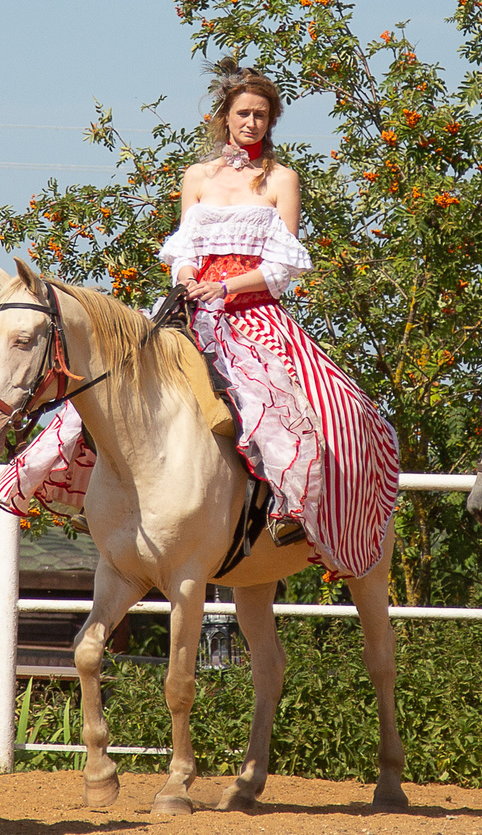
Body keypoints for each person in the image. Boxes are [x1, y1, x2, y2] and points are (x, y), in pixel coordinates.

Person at [157, 62, 400, 578]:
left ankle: (291, 511)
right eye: (243, 113)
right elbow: (183, 246)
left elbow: (282, 264)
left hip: (253, 311)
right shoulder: (196, 177)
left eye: (262, 116)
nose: (252, 123)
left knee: (303, 405)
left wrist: (224, 286)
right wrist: (186, 280)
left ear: (271, 121)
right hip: (192, 306)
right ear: (223, 117)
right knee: (121, 374)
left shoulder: (281, 178)